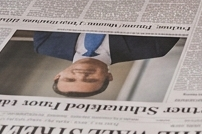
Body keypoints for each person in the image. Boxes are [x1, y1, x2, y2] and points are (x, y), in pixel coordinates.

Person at [33, 31, 181, 98]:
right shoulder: (154, 48)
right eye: (90, 80)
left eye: (69, 79)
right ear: (109, 77)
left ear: (58, 75)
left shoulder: (45, 45)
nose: (81, 75)